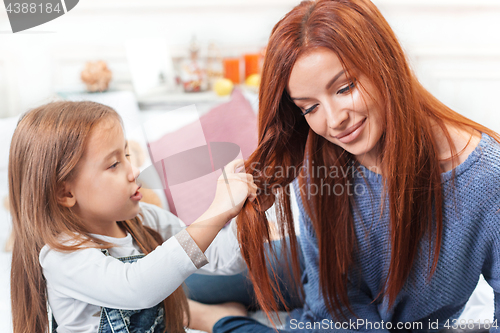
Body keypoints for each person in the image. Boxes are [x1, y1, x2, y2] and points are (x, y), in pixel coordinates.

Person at [187, 0, 500, 332]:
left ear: (385, 63)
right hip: (324, 279)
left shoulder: (486, 175)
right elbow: (333, 302)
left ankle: (215, 318)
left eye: (345, 87)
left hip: (353, 296)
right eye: (309, 108)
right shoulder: (321, 156)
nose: (335, 121)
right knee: (185, 282)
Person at [9, 100, 257, 333]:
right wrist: (218, 210)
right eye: (114, 164)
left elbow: (223, 259)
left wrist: (249, 212)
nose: (135, 170)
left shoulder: (148, 220)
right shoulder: (62, 256)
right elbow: (138, 288)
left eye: (127, 156)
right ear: (65, 192)